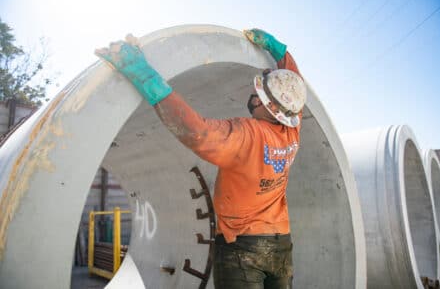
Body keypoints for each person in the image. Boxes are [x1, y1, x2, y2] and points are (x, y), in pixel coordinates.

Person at [95, 28, 307, 289]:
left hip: (241, 247)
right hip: (280, 244)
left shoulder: (247, 135)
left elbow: (197, 132)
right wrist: (280, 51)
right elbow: (294, 83)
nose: (253, 96)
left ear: (272, 108)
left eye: (259, 95)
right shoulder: (292, 130)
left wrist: (145, 77)